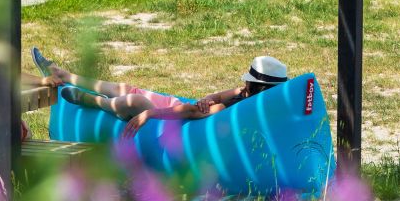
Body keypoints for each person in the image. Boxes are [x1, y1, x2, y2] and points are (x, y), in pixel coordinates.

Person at [31, 50, 290, 139]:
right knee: (125, 89)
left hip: (174, 123)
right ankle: (64, 75)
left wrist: (150, 114)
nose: (244, 85)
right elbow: (215, 97)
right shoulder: (241, 96)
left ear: (258, 89)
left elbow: (191, 112)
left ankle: (94, 101)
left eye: (249, 84)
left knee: (136, 102)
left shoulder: (230, 111)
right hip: (178, 111)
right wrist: (208, 99)